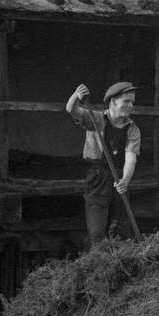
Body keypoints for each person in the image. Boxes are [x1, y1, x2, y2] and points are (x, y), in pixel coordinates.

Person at [66, 81, 141, 245]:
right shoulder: (95, 118)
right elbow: (71, 109)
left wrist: (125, 181)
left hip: (119, 180)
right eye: (126, 101)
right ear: (113, 101)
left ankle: (122, 265)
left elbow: (131, 157)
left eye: (132, 102)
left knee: (120, 230)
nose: (131, 106)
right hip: (98, 178)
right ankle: (98, 262)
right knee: (97, 232)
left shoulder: (132, 129)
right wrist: (76, 96)